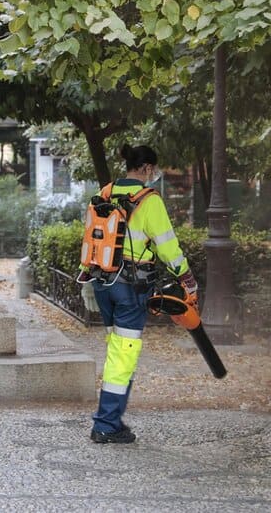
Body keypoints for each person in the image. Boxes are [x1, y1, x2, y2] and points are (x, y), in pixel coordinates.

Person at [78, 144, 197, 444]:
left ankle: (111, 419)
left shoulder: (105, 193)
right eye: (153, 170)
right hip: (131, 287)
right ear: (145, 169)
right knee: (123, 354)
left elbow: (93, 235)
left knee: (117, 351)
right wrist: (186, 277)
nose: (154, 175)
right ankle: (106, 425)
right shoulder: (149, 200)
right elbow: (167, 245)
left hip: (102, 281)